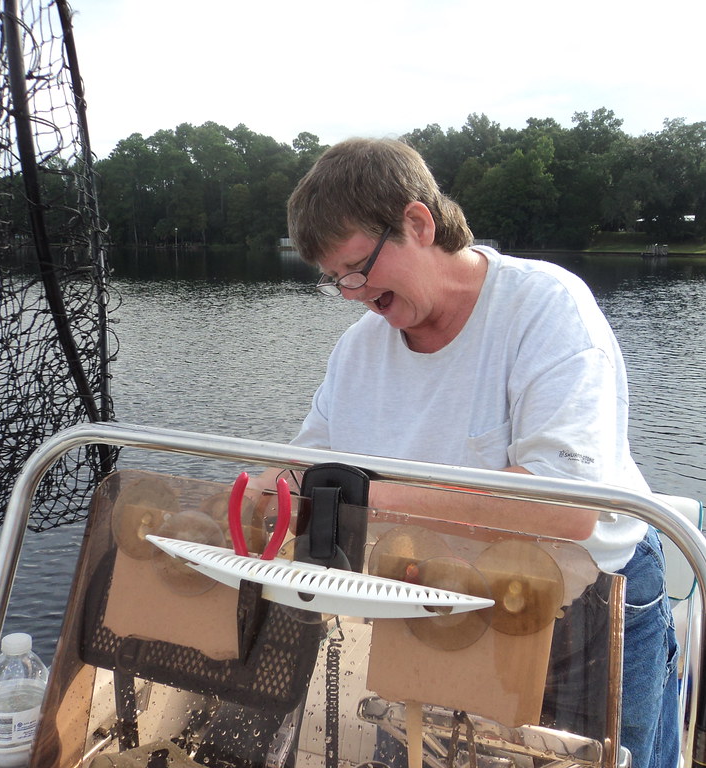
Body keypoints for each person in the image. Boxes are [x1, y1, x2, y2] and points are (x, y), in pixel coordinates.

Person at [283, 137, 679, 768]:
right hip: (431, 595)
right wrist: (263, 488)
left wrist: (363, 497)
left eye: (359, 267)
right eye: (336, 280)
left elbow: (564, 508)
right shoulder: (359, 350)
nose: (354, 293)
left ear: (417, 222)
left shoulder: (546, 307)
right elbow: (304, 469)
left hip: (584, 605)